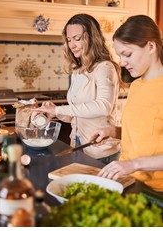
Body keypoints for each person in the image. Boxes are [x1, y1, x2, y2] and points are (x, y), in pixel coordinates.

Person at [31, 13, 124, 161]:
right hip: (78, 145)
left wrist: (58, 109)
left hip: (101, 151)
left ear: (92, 38)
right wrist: (55, 113)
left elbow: (103, 106)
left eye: (77, 39)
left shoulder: (104, 67)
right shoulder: (77, 71)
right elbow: (78, 116)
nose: (72, 45)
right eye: (69, 40)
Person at [89, 14, 163, 191]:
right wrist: (112, 131)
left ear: (151, 46)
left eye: (127, 54)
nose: (122, 63)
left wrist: (134, 164)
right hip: (128, 182)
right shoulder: (136, 86)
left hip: (156, 192)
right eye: (120, 56)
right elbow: (146, 134)